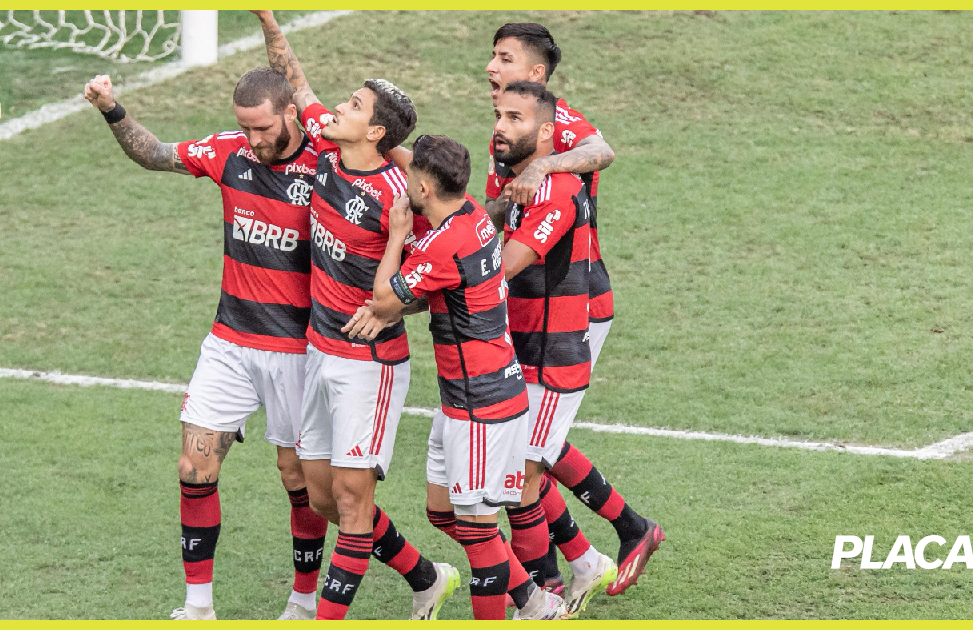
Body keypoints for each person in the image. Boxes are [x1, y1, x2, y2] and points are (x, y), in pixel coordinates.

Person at [83, 67, 327, 620]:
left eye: (261, 128)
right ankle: (197, 607)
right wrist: (111, 108)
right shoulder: (228, 152)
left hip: (297, 350)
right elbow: (154, 153)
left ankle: (304, 599)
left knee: (299, 481)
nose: (254, 140)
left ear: (290, 113)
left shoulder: (326, 165)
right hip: (230, 343)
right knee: (194, 469)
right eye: (245, 129)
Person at [252, 10, 458, 621]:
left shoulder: (402, 197)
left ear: (376, 132)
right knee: (321, 498)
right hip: (319, 348)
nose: (337, 108)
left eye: (354, 105)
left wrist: (394, 304)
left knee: (351, 501)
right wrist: (267, 18)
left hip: (369, 365)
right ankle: (427, 576)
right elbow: (294, 79)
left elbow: (443, 268)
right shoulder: (327, 146)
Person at [342, 135, 569, 620]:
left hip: (482, 405)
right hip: (466, 400)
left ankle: (524, 605)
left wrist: (398, 235)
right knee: (443, 513)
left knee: (479, 530)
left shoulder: (447, 241)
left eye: (410, 182)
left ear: (424, 187)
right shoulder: (469, 214)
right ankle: (533, 599)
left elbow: (385, 299)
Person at [485, 23, 665, 597]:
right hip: (525, 307)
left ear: (535, 75)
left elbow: (602, 151)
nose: (490, 67)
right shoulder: (507, 133)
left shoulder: (558, 126)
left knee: (528, 458)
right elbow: (497, 213)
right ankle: (588, 555)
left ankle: (549, 587)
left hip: (571, 308)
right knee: (532, 444)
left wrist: (547, 166)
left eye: (504, 58)